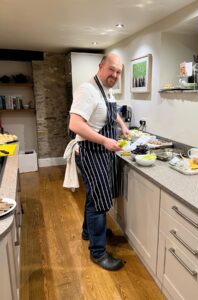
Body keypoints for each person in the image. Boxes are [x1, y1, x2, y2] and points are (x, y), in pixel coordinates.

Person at [69, 53, 130, 271]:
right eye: (111, 69)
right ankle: (98, 252)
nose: (115, 74)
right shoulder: (87, 90)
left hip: (102, 153)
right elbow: (75, 124)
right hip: (90, 152)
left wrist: (122, 127)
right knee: (99, 204)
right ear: (101, 66)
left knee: (94, 197)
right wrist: (105, 140)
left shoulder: (106, 89)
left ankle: (89, 232)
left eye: (118, 71)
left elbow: (111, 111)